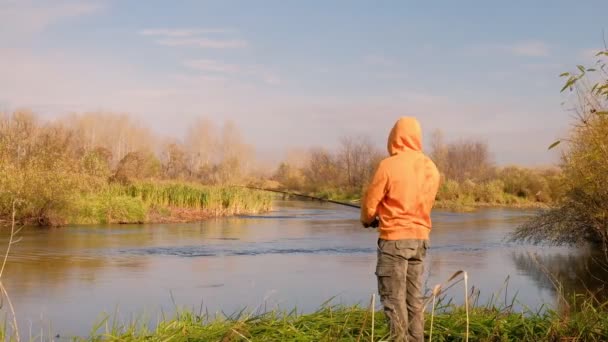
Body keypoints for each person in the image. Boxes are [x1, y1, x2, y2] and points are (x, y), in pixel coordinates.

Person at [361, 117, 440, 342]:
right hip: (420, 241)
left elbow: (370, 204)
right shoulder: (431, 167)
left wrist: (368, 220)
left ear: (394, 137)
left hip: (394, 241)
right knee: (413, 300)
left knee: (393, 301)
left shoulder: (388, 165)